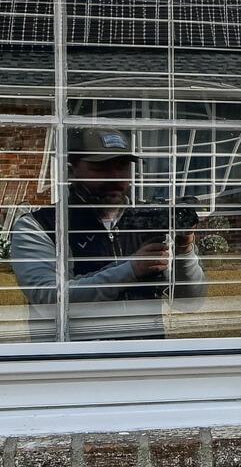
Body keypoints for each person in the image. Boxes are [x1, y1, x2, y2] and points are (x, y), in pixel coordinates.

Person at [9, 127, 204, 341]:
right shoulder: (40, 225)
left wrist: (185, 249)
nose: (115, 178)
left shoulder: (150, 220)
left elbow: (189, 302)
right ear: (71, 172)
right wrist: (131, 269)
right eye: (100, 168)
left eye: (122, 166)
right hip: (72, 366)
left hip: (145, 363)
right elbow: (50, 303)